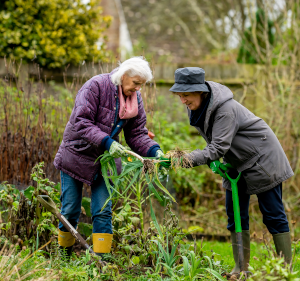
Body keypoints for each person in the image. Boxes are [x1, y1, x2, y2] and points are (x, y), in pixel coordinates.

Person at [165, 67, 293, 273]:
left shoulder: (225, 109)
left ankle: (285, 270)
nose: (183, 101)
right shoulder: (197, 107)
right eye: (180, 96)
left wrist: (184, 159)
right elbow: (216, 143)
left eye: (186, 95)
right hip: (237, 162)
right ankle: (241, 268)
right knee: (234, 213)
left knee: (272, 214)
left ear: (201, 91)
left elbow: (217, 147)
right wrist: (212, 160)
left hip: (263, 158)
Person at [53, 57, 165, 257]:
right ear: (123, 76)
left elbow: (137, 134)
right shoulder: (96, 86)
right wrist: (107, 141)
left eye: (142, 85)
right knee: (70, 209)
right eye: (136, 83)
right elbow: (81, 121)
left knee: (103, 210)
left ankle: (100, 261)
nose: (138, 89)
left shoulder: (134, 98)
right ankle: (64, 257)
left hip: (105, 160)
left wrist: (154, 151)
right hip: (77, 154)